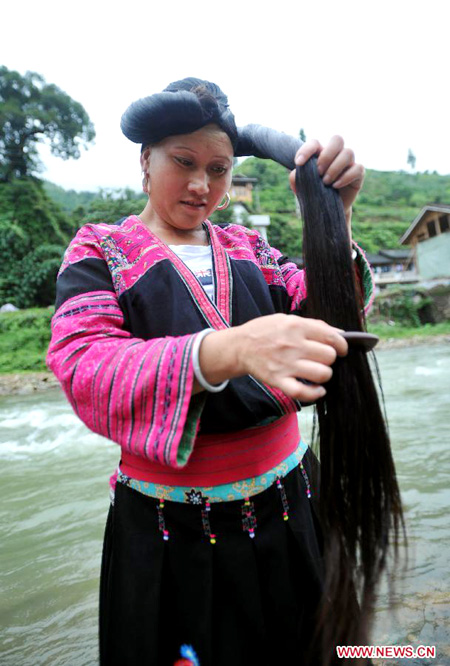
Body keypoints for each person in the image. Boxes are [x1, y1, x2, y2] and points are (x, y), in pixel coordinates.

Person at [47, 78, 371, 666]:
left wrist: (334, 222)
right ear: (145, 160)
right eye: (183, 161)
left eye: (219, 168)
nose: (202, 185)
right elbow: (85, 364)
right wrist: (228, 351)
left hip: (293, 499)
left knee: (319, 649)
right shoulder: (100, 251)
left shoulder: (250, 247)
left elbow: (326, 315)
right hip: (172, 528)